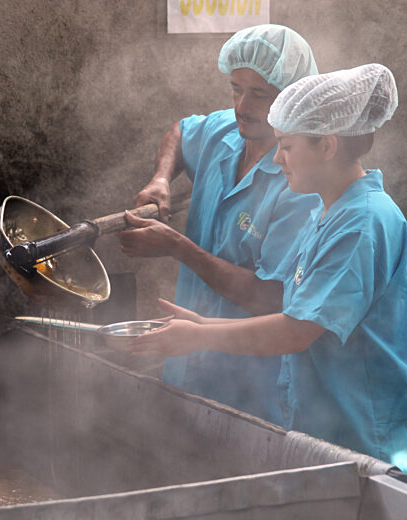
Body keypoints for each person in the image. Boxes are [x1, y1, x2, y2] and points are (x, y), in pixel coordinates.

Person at [128, 64, 407, 506]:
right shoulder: (326, 212)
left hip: (382, 443)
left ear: (326, 146)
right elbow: (296, 310)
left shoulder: (362, 224)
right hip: (342, 437)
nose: (276, 158)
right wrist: (203, 326)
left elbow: (295, 330)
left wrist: (199, 337)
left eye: (286, 146)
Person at [118, 25, 321, 425]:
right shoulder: (223, 131)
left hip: (250, 387)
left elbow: (270, 298)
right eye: (235, 89)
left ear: (292, 97)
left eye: (259, 94)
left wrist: (178, 248)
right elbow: (180, 131)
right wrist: (161, 178)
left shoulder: (301, 183)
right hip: (185, 362)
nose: (242, 106)